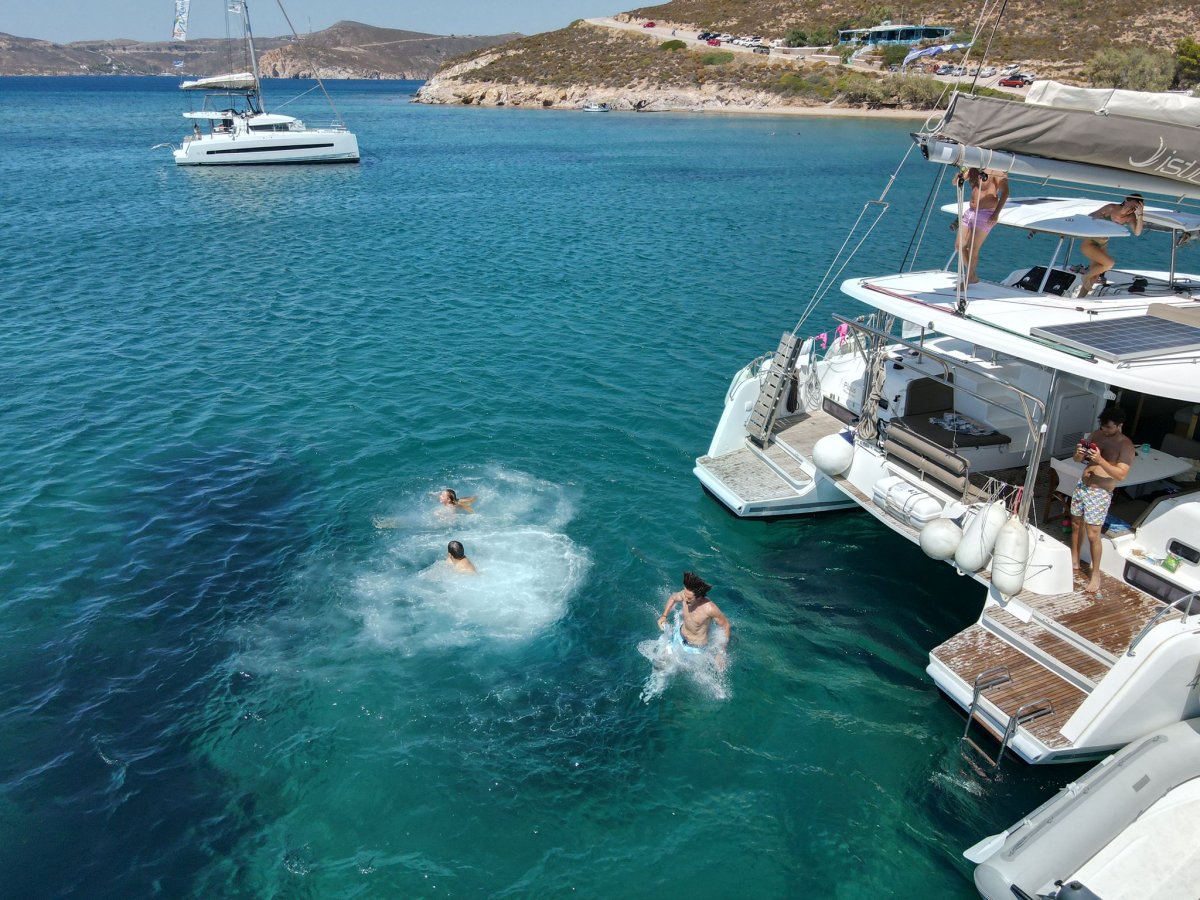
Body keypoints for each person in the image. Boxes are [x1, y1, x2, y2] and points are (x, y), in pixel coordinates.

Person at [1070, 406, 1135, 595]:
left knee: (1093, 534)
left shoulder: (1126, 446)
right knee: (1075, 523)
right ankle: (1074, 559)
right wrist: (1079, 453)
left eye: (1109, 428)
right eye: (1103, 427)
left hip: (1100, 492)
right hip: (1083, 485)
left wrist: (1100, 460)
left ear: (1120, 425)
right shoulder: (1096, 435)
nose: (1105, 431)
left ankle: (1095, 573)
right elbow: (1077, 459)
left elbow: (1121, 475)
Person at [657, 571, 731, 667]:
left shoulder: (709, 608)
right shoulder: (685, 595)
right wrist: (664, 616)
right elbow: (673, 598)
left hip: (695, 650)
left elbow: (726, 625)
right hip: (678, 637)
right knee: (660, 666)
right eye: (685, 595)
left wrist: (721, 652)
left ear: (699, 597)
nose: (685, 599)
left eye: (689, 598)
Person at [953, 167, 1009, 290]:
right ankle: (972, 274)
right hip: (971, 212)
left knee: (973, 248)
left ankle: (967, 280)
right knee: (959, 245)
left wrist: (996, 214)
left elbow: (1005, 193)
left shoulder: (997, 171)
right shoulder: (974, 169)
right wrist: (961, 171)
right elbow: (955, 182)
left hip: (986, 214)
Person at [1078, 194, 1144, 297]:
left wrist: (1140, 215)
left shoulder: (1130, 217)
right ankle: (1085, 276)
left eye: (1136, 208)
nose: (1132, 209)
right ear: (1126, 201)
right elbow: (1090, 215)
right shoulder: (1111, 208)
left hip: (1103, 245)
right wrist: (1098, 219)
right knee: (1109, 263)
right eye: (1132, 205)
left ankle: (1080, 299)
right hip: (1090, 242)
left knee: (1094, 276)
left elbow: (1137, 232)